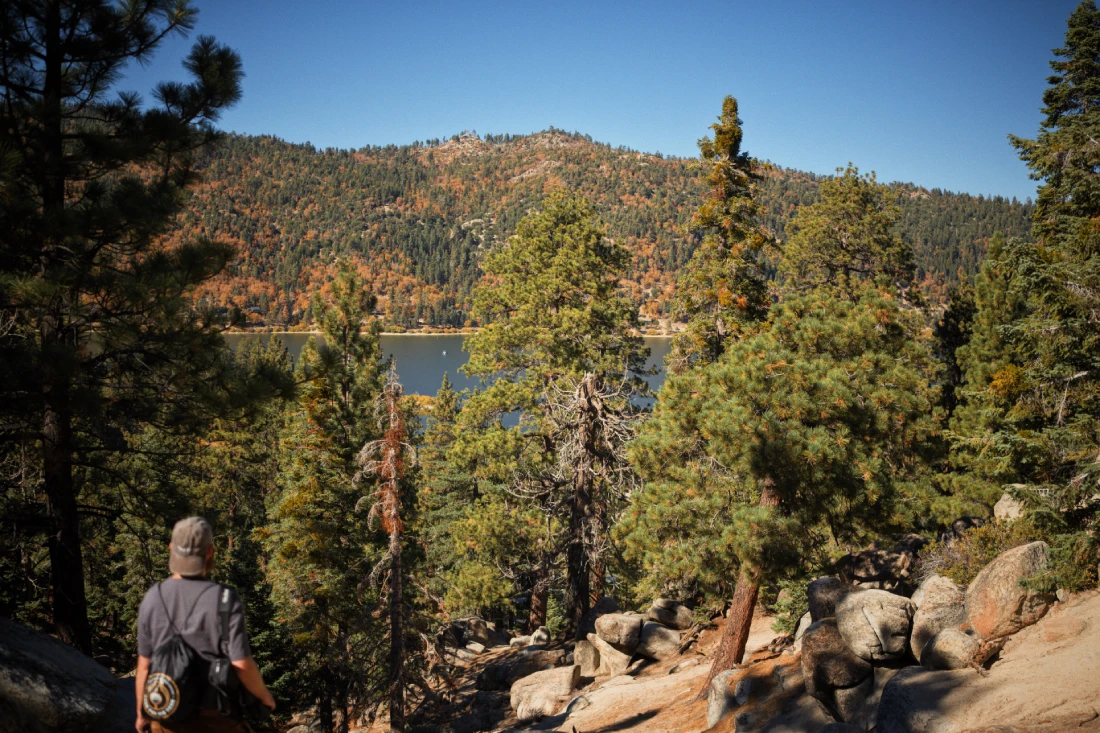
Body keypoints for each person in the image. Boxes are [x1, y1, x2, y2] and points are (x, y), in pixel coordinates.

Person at [135, 517, 276, 732]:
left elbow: (144, 664)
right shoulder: (225, 599)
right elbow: (241, 664)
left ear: (172, 548)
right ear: (209, 552)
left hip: (167, 714)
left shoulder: (154, 596)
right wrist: (264, 697)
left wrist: (142, 713)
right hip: (216, 716)